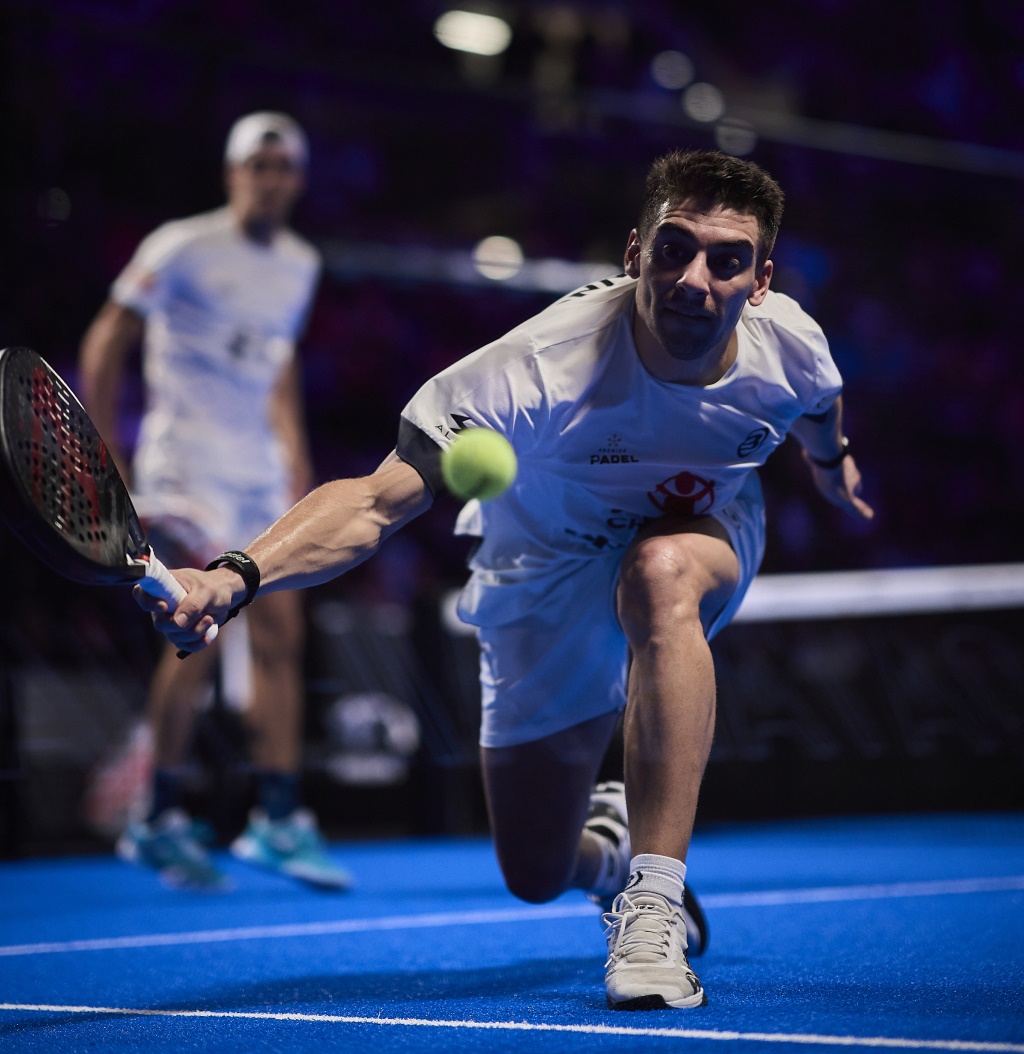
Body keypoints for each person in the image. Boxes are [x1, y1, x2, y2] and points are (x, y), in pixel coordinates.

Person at [135, 149, 873, 1006]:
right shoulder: (536, 367)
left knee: (659, 571)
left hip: (698, 537)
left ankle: (654, 906)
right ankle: (606, 852)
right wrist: (235, 575)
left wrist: (833, 465)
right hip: (540, 566)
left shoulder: (792, 344)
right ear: (636, 255)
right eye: (674, 248)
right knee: (534, 869)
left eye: (726, 259)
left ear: (761, 279)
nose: (695, 278)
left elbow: (820, 410)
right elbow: (376, 503)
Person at [79, 111, 351, 892]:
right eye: (256, 166)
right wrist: (109, 458)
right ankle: (159, 812)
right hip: (184, 467)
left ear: (297, 179)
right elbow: (105, 342)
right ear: (233, 173)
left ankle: (276, 816)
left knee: (282, 635)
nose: (269, 179)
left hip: (257, 471)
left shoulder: (301, 262)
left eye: (283, 167)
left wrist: (294, 462)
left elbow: (278, 370)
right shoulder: (178, 246)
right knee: (196, 624)